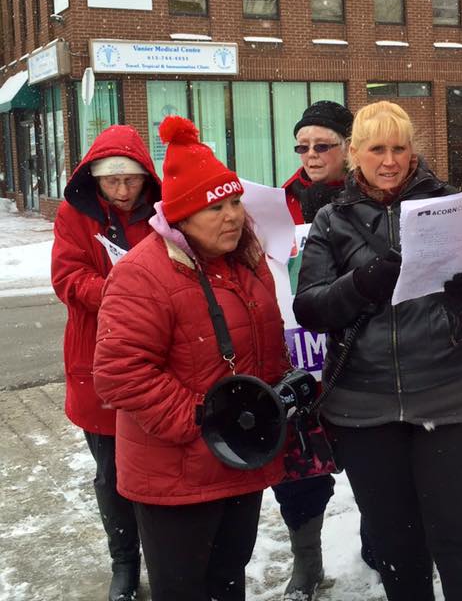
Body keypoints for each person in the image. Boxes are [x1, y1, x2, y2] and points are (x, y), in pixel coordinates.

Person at [293, 100, 462, 601]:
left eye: (399, 148)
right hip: (366, 409)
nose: (390, 161)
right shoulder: (332, 221)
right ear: (354, 154)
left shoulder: (453, 204)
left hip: (457, 397)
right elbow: (310, 308)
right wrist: (362, 284)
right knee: (398, 550)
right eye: (376, 149)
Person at [92, 116, 290, 601]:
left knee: (229, 579)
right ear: (180, 217)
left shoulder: (247, 258)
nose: (232, 217)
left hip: (238, 459)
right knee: (183, 589)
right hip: (175, 473)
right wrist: (203, 422)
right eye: (215, 208)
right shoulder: (144, 273)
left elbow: (264, 345)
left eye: (236, 201)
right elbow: (120, 375)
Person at [51, 125, 160, 601]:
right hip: (96, 355)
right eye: (111, 181)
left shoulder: (159, 212)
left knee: (155, 467)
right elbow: (68, 278)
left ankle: (161, 552)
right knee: (111, 473)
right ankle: (124, 561)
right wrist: (123, 291)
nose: (120, 191)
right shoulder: (74, 214)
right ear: (93, 179)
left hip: (155, 357)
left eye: (130, 181)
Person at [276, 100, 354, 600]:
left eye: (322, 145)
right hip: (297, 351)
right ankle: (307, 562)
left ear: (348, 147)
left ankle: (382, 545)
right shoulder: (277, 200)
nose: (310, 154)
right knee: (300, 469)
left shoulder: (367, 194)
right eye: (302, 146)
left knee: (374, 459)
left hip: (354, 349)